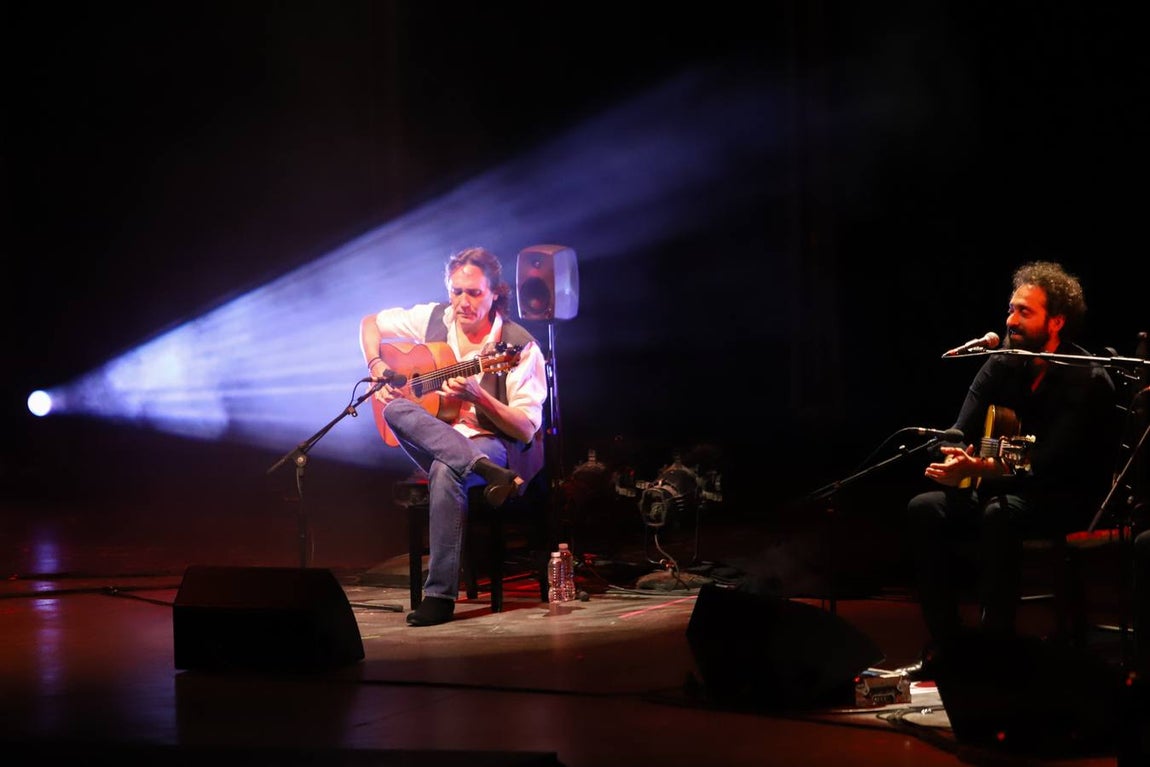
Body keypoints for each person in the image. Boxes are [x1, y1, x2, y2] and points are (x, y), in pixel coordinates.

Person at [902, 260, 1118, 677]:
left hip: (1063, 497)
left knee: (999, 514)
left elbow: (1047, 462)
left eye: (1024, 312)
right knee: (924, 508)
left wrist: (982, 468)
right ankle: (948, 647)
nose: (1011, 320)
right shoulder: (1003, 361)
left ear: (1056, 321)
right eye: (1010, 309)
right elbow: (959, 430)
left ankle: (993, 652)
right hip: (1001, 488)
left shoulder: (1086, 377)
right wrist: (956, 458)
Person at [359, 246, 548, 626]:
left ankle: (439, 598)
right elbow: (369, 323)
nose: (463, 302)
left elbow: (526, 428)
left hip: (497, 443)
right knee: (394, 409)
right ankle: (484, 471)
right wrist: (377, 364)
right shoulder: (435, 318)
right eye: (456, 291)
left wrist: (480, 397)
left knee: (447, 471)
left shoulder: (518, 345)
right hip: (443, 438)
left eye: (474, 293)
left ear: (495, 293)